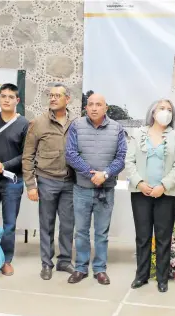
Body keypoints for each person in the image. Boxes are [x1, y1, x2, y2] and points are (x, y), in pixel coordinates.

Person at [65, 93, 127, 285]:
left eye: (98, 104)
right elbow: (71, 154)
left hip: (106, 190)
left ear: (105, 108)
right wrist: (91, 174)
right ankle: (80, 268)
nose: (93, 108)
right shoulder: (76, 126)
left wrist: (105, 174)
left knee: (101, 233)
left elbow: (121, 157)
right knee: (81, 231)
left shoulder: (117, 129)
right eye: (90, 104)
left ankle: (100, 269)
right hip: (81, 189)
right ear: (86, 107)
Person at [125, 99, 175, 293]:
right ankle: (141, 276)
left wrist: (163, 185)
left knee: (163, 237)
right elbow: (129, 162)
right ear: (153, 112)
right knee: (142, 237)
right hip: (140, 192)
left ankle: (162, 277)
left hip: (166, 194)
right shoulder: (137, 134)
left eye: (169, 109)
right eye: (162, 108)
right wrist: (140, 183)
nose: (165, 112)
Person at [22, 83, 77, 280]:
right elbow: (27, 156)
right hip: (46, 181)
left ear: (67, 99)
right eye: (50, 95)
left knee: (68, 225)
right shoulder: (38, 123)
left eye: (57, 95)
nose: (52, 99)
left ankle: (64, 262)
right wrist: (31, 185)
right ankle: (46, 264)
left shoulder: (76, 123)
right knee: (46, 224)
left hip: (70, 183)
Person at [0, 83, 29, 276]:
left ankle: (6, 259)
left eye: (11, 97)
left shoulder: (24, 124)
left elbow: (26, 155)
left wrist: (3, 166)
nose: (6, 99)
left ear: (17, 101)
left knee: (10, 223)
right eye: (3, 96)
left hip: (13, 181)